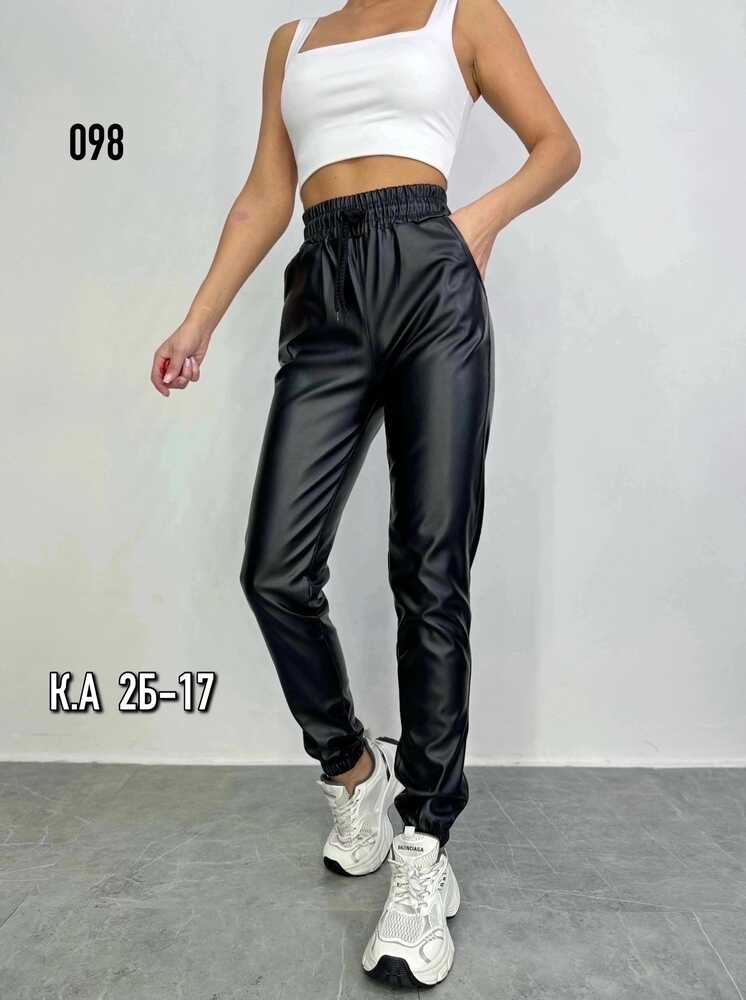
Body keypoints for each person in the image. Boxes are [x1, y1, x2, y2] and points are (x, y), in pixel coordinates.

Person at [150, 0, 580, 987]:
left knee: (428, 569)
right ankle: (353, 769)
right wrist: (197, 321)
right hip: (327, 292)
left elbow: (556, 146)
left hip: (431, 275)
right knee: (273, 569)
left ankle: (424, 845)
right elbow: (266, 194)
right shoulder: (293, 41)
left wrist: (476, 220)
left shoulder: (462, 14)